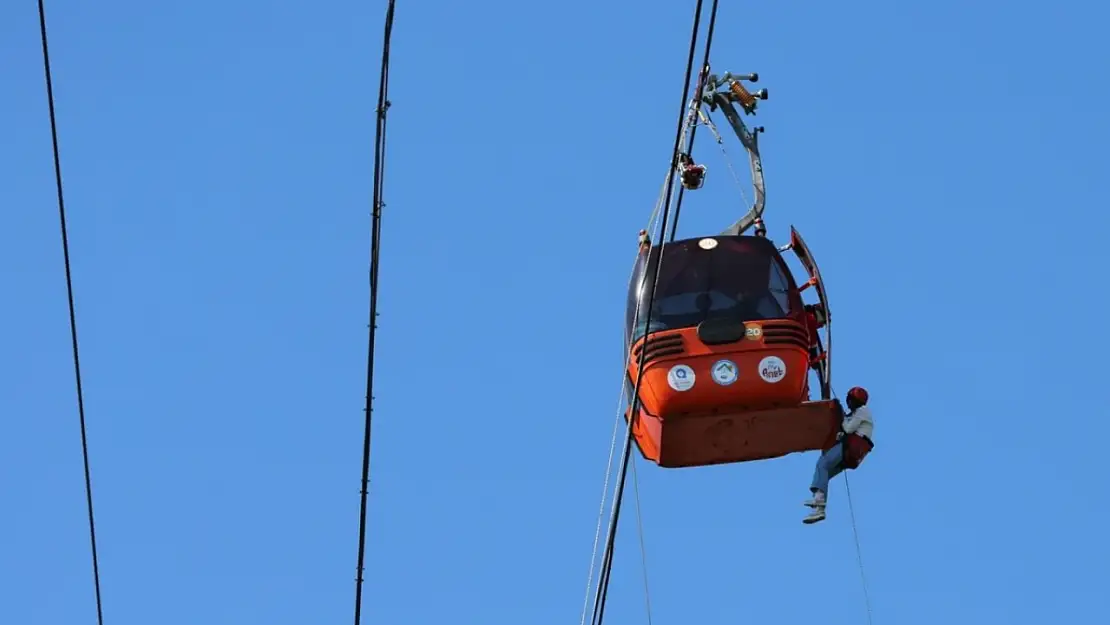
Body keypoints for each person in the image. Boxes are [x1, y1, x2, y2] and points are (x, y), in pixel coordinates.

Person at [802, 386, 874, 525]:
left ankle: (819, 501)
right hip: (852, 454)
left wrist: (840, 415)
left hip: (850, 448)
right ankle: (819, 509)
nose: (849, 403)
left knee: (822, 464)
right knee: (824, 473)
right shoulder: (859, 413)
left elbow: (847, 428)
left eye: (851, 400)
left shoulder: (862, 411)